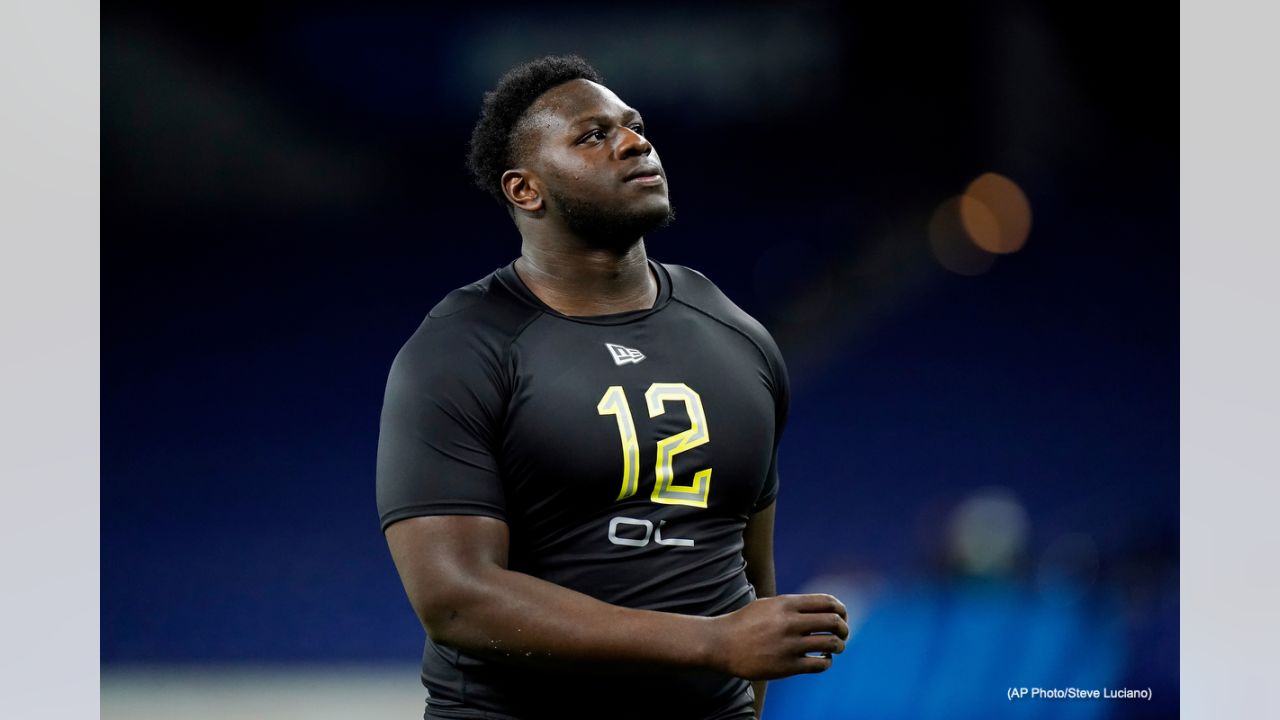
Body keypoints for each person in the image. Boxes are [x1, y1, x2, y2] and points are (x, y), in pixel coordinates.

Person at [375, 54, 848, 720]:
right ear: (525, 190)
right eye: (592, 136)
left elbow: (748, 575)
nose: (634, 142)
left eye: (633, 126)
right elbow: (456, 598)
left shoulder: (735, 333)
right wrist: (711, 642)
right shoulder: (462, 347)